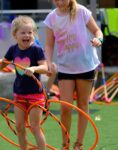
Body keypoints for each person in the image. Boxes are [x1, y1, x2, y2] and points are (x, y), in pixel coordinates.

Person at [43, 0, 103, 149]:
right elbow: (49, 44)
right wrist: (49, 61)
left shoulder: (82, 11)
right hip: (65, 67)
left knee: (83, 105)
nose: (59, 2)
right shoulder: (51, 18)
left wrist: (98, 39)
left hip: (85, 65)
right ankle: (65, 144)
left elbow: (97, 31)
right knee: (66, 107)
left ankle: (79, 144)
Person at [0, 15, 48, 150]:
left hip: (36, 94)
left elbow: (45, 68)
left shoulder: (36, 50)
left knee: (35, 127)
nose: (27, 35)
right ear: (15, 34)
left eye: (30, 32)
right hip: (19, 94)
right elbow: (2, 65)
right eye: (23, 32)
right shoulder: (13, 49)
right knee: (20, 127)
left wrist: (34, 68)